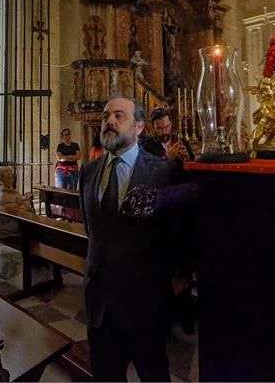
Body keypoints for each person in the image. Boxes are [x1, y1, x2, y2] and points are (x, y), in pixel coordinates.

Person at [79, 95, 187, 381]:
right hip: (99, 303)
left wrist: (177, 277)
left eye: (119, 115)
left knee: (153, 375)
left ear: (139, 126)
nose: (109, 121)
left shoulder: (164, 172)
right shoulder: (88, 172)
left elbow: (178, 232)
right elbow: (93, 231)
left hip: (145, 304)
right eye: (105, 116)